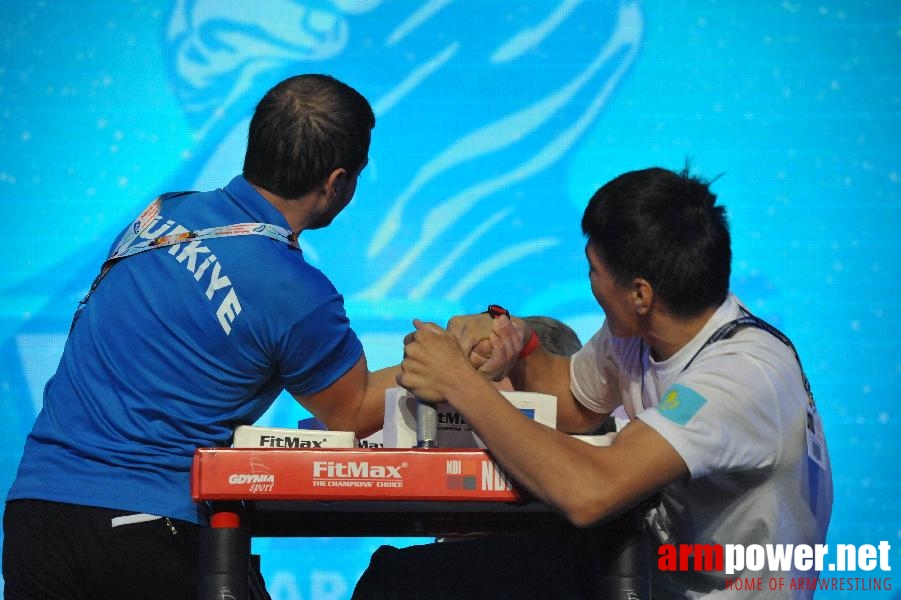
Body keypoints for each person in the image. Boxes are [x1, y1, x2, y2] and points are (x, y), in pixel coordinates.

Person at [2, 74, 427, 600]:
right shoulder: (292, 291)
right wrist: (455, 368)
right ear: (337, 182)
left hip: (35, 515)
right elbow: (354, 410)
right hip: (147, 525)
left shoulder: (164, 212)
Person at [353, 166, 833, 599]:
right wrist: (514, 337)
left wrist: (459, 383)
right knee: (400, 578)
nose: (589, 283)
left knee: (403, 586)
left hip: (682, 590)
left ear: (640, 293)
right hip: (642, 570)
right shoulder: (649, 329)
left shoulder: (740, 377)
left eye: (593, 270)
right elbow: (575, 400)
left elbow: (590, 492)